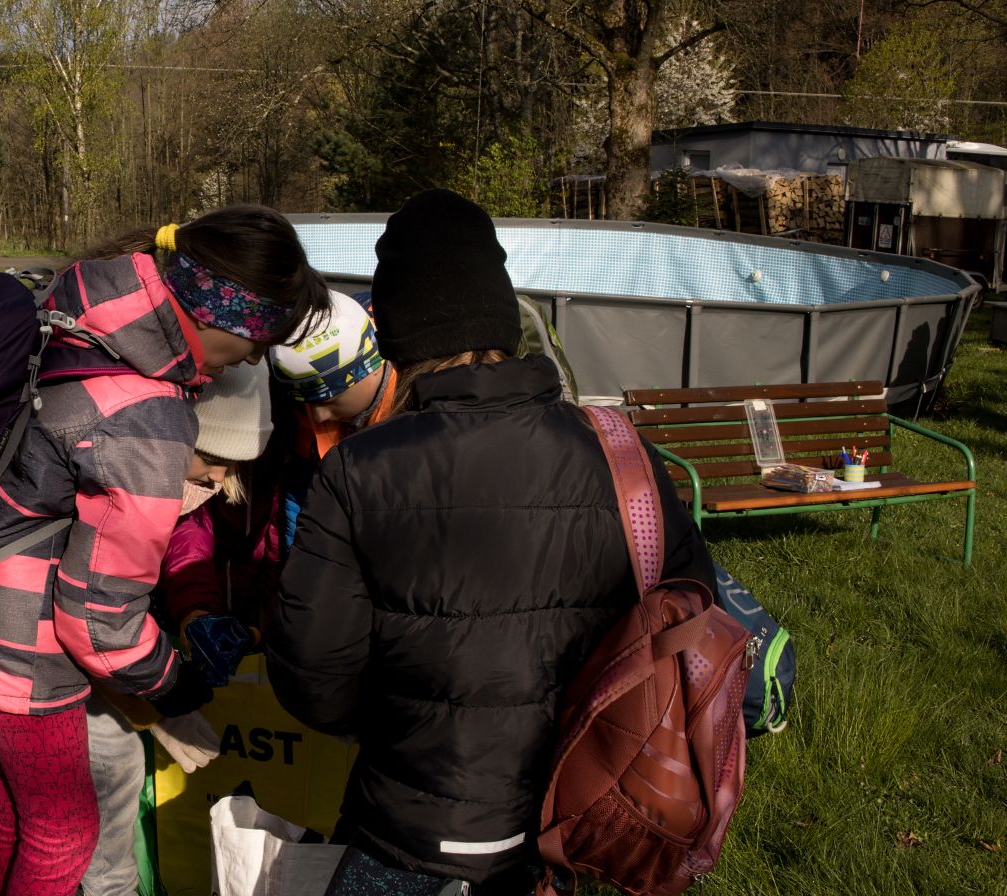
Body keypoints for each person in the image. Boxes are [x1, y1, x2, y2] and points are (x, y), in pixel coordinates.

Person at [265, 188, 717, 896]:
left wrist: (400, 729)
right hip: (577, 809)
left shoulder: (360, 470)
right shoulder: (621, 450)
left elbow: (310, 676)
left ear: (399, 330)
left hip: (410, 826)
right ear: (501, 315)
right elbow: (688, 610)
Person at [0, 207, 329, 896]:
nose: (251, 362)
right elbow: (100, 616)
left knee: (14, 820)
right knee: (62, 835)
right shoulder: (151, 418)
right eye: (258, 344)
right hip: (23, 650)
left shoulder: (80, 307)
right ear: (231, 319)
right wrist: (172, 684)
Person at [82, 360, 273, 896]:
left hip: (99, 664)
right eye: (212, 465)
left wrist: (249, 625)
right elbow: (96, 616)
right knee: (81, 826)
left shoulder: (171, 472)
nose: (217, 481)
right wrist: (157, 700)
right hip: (49, 676)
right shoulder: (124, 489)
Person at [267, 289, 397, 547]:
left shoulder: (416, 400)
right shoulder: (303, 409)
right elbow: (302, 494)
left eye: (328, 399)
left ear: (370, 369)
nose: (317, 415)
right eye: (305, 402)